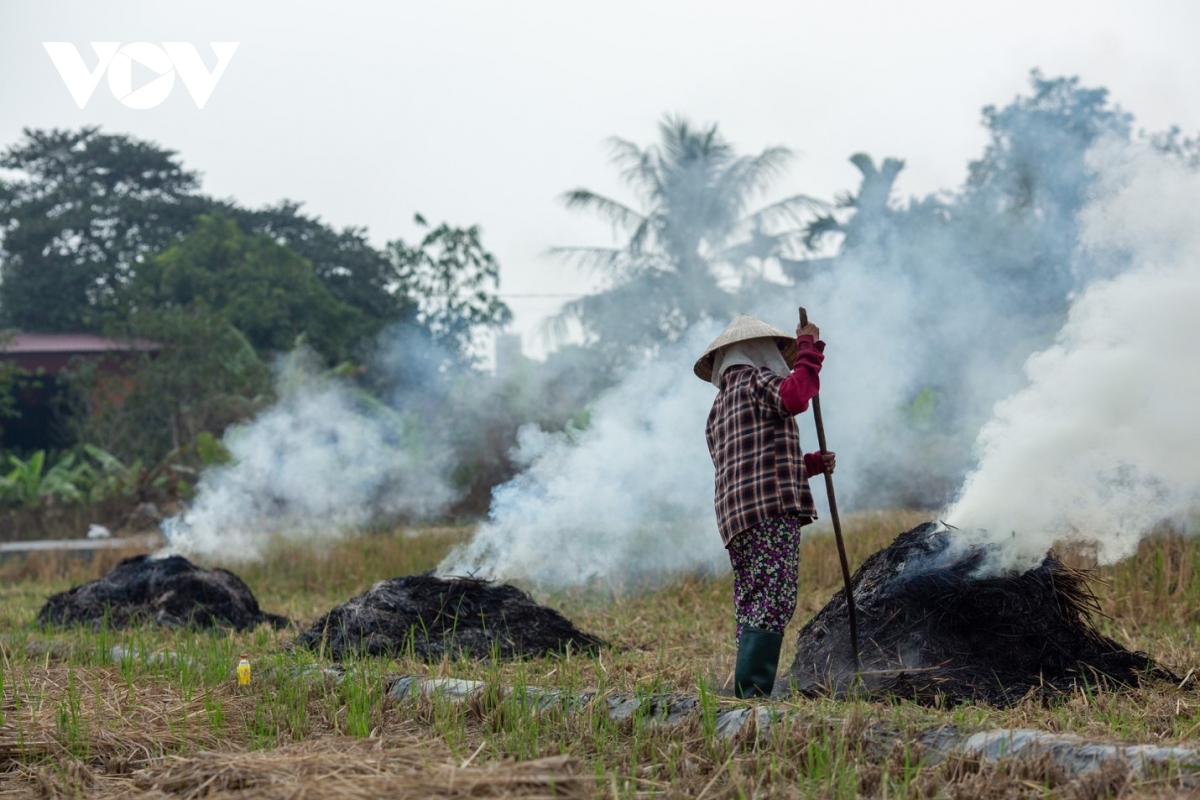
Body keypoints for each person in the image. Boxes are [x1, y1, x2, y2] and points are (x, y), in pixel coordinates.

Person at [693, 312, 835, 698]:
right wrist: (808, 349)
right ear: (757, 351)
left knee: (753, 598)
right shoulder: (757, 381)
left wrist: (810, 465)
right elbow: (796, 396)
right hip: (770, 514)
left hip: (738, 519)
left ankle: (746, 688)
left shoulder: (717, 409)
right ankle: (752, 693)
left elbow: (751, 462)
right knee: (774, 596)